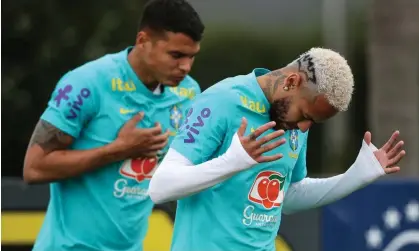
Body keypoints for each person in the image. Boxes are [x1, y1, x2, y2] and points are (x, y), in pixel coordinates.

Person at [149, 48, 406, 251]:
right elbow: (161, 187)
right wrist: (231, 162)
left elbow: (288, 196)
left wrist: (354, 177)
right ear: (292, 81)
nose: (304, 128)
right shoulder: (222, 101)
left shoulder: (293, 122)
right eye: (305, 115)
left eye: (313, 123)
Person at [23, 0, 204, 250]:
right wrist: (117, 150)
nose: (185, 67)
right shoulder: (86, 83)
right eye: (176, 55)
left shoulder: (188, 93)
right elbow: (34, 168)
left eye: (192, 57)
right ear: (143, 41)